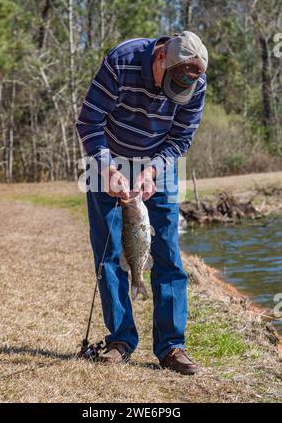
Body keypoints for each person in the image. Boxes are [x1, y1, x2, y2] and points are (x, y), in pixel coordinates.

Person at [76, 31, 208, 374]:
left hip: (158, 165)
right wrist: (106, 168)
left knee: (167, 250)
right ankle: (120, 339)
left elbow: (181, 138)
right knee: (108, 253)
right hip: (105, 157)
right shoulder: (122, 61)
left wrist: (152, 170)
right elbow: (89, 120)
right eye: (171, 84)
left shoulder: (195, 82)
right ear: (161, 56)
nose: (175, 94)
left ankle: (171, 346)